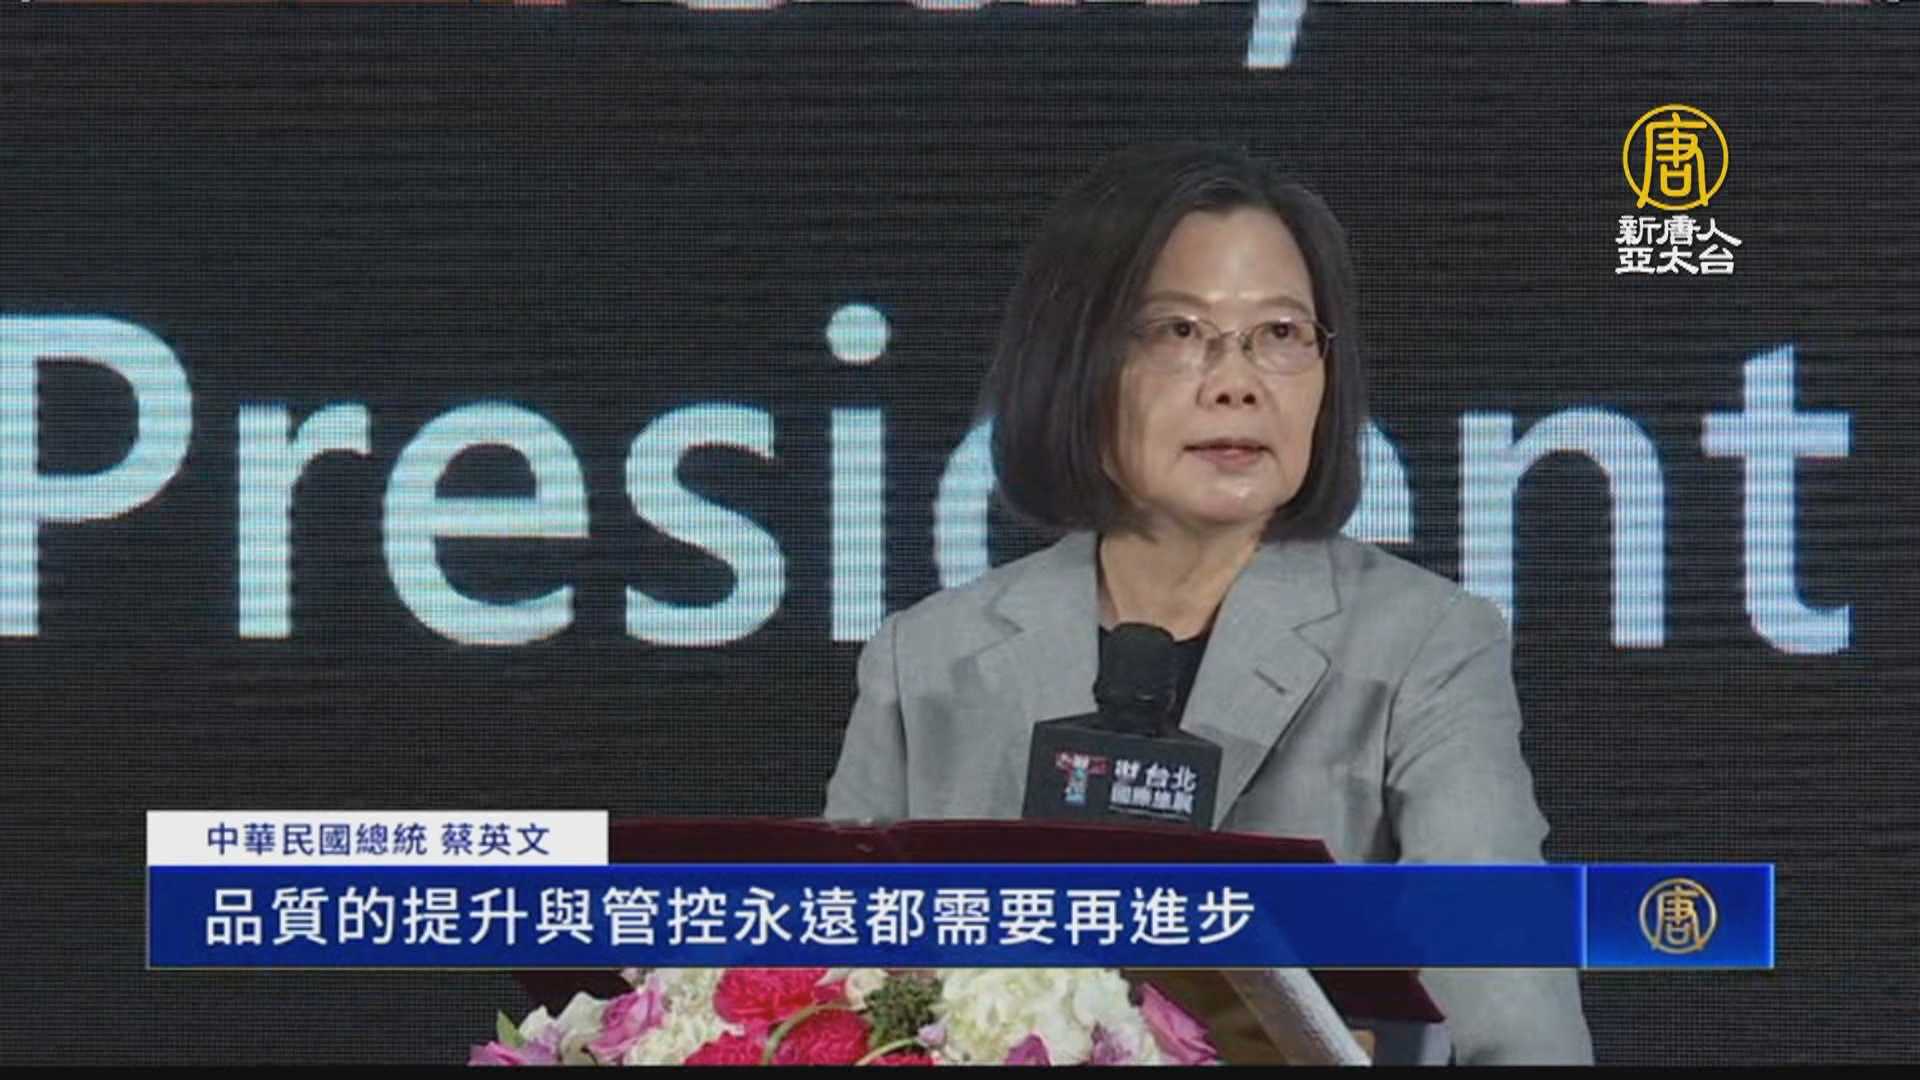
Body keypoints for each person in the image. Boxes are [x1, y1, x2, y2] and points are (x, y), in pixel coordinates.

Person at [821, 141, 1593, 1066]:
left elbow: (1518, 1025)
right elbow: (830, 1005)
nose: (1237, 381)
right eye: (1178, 331)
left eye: (1281, 333)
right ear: (1076, 364)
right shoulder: (924, 661)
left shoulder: (1423, 645)